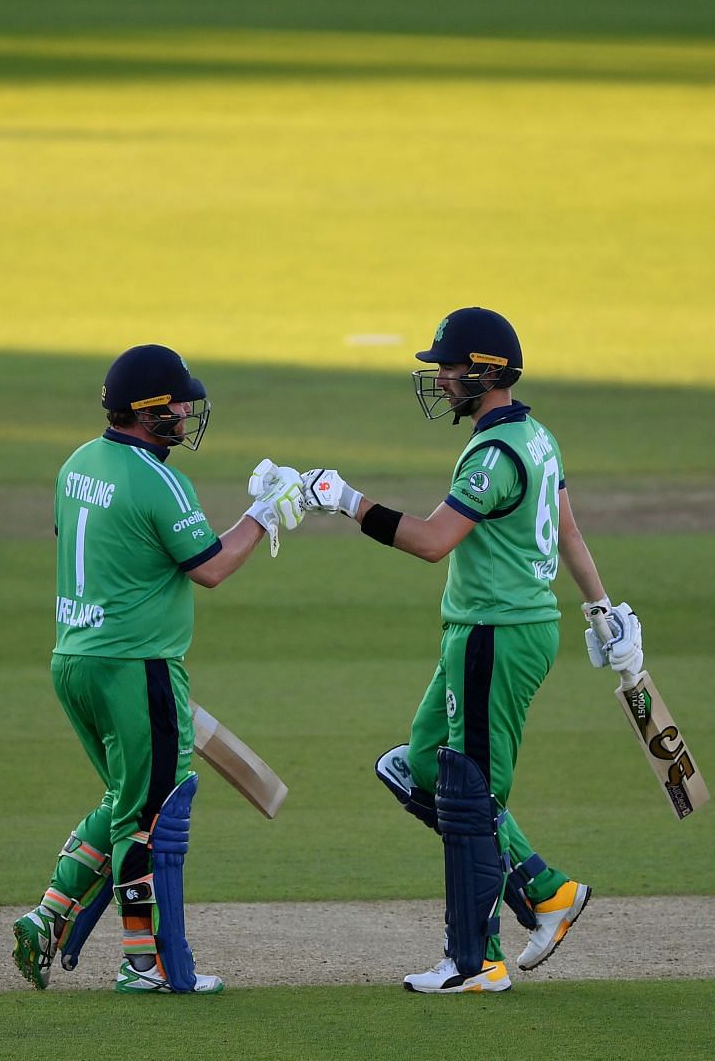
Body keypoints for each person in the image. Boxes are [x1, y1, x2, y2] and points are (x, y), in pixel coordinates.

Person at [298, 306, 646, 995]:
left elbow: (432, 541)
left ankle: (474, 960)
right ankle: (545, 891)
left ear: (484, 372)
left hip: (498, 631)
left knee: (471, 791)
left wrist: (345, 500)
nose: (442, 377)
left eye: (449, 367)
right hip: (480, 629)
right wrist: (602, 606)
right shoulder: (536, 437)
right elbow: (568, 530)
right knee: (419, 765)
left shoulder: (494, 455)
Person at [10, 344, 306, 995]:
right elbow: (211, 566)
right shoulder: (158, 477)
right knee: (153, 816)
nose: (184, 411)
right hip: (137, 664)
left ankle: (50, 913)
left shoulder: (76, 463)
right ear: (146, 412)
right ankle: (145, 962)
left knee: (128, 800)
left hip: (74, 660)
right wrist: (263, 514)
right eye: (175, 403)